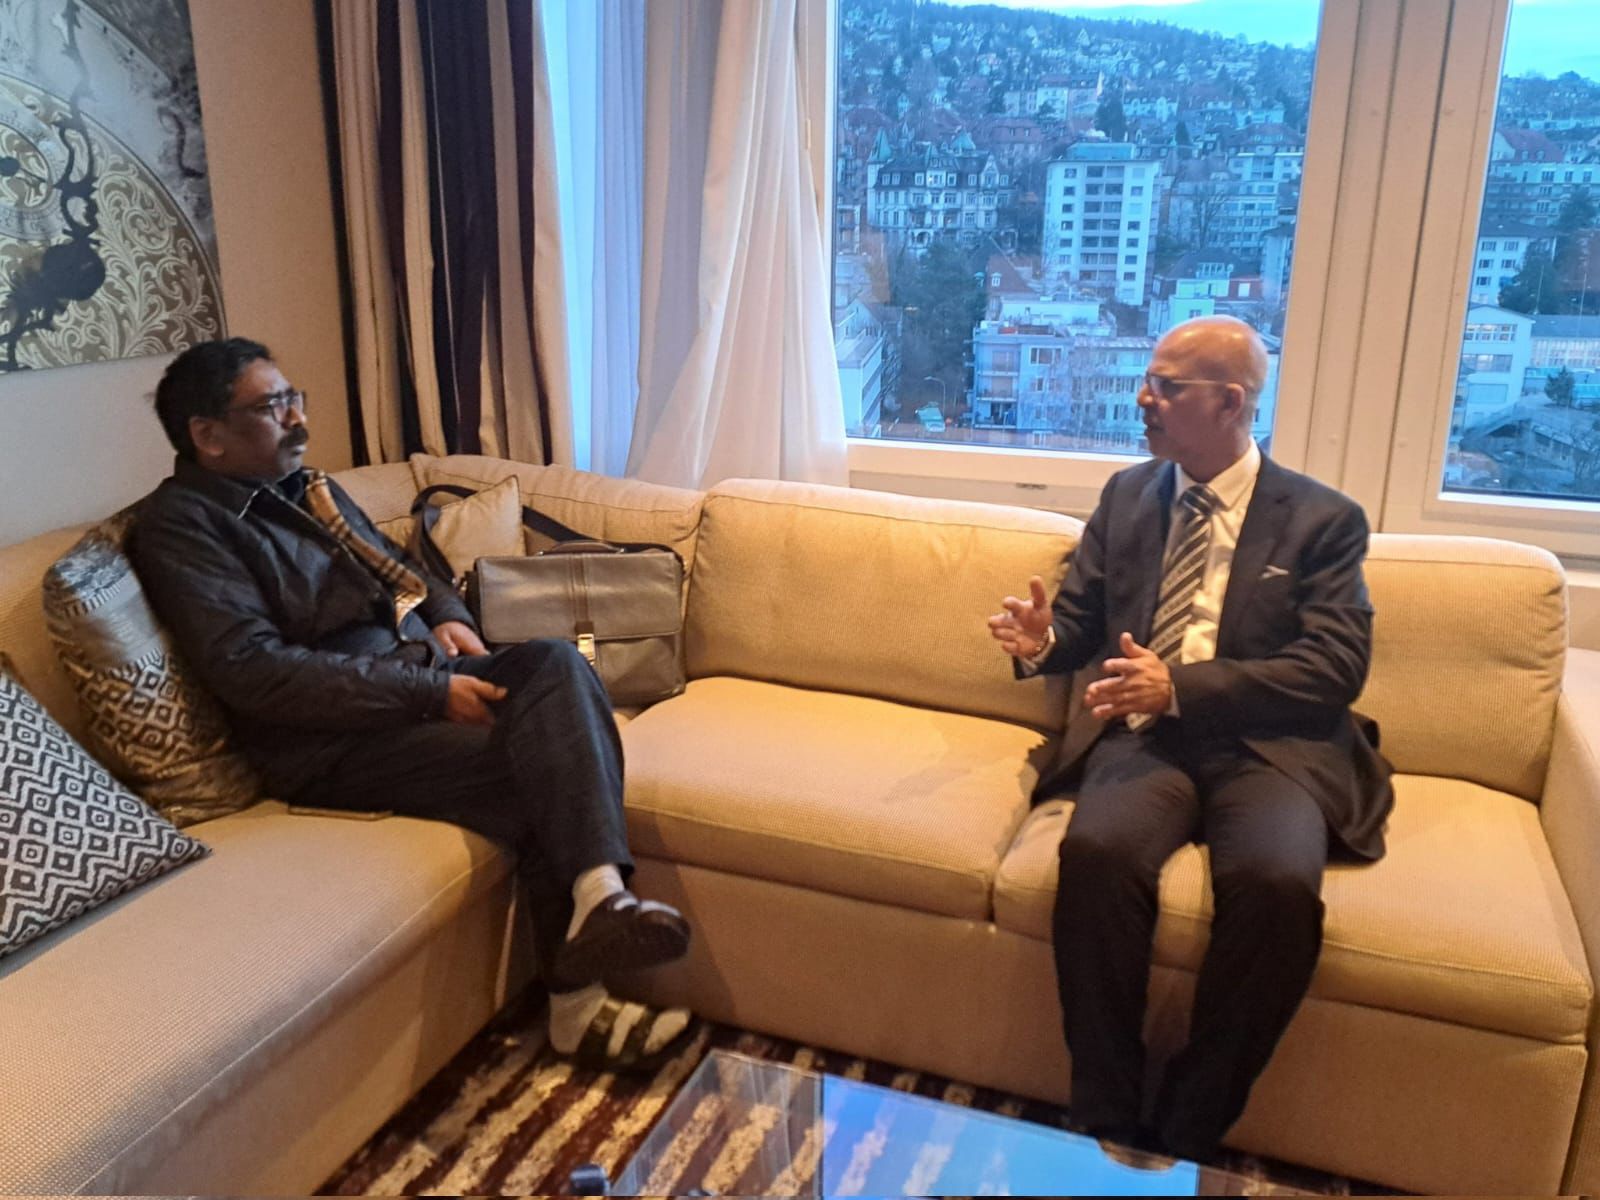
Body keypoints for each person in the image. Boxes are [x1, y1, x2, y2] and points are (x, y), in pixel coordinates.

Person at [131, 337, 693, 1072]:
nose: (298, 417)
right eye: (272, 407)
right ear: (208, 435)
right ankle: (579, 1001)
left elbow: (401, 571)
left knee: (558, 664)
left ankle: (600, 897)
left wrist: (443, 615)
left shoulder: (308, 490)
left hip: (410, 680)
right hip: (326, 743)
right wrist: (431, 691)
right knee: (545, 762)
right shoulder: (182, 528)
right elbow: (255, 673)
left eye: (294, 397)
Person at [987, 315, 1393, 1161]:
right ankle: (1106, 1110)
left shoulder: (1323, 519)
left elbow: (1334, 667)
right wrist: (1042, 643)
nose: (1145, 398)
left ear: (1231, 403)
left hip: (1270, 748)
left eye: (1168, 386)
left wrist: (1182, 687)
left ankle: (1192, 1119)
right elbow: (1081, 620)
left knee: (1277, 887)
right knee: (1096, 854)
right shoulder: (1129, 495)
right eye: (1149, 379)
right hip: (1148, 740)